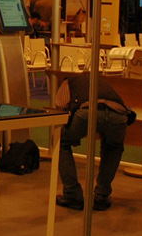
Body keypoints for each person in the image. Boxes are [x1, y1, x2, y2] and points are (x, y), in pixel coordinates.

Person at [54, 71, 136, 211]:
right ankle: (102, 196)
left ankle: (72, 194)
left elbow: (61, 107)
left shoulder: (69, 82)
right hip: (118, 115)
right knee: (113, 148)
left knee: (61, 143)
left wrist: (72, 133)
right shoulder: (102, 82)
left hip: (87, 111)